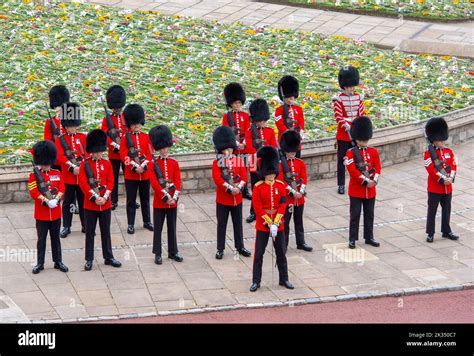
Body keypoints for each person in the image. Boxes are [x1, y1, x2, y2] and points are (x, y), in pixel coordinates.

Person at [250, 146, 293, 292]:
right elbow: (258, 208)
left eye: (273, 172)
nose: (271, 175)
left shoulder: (280, 186)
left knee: (281, 253)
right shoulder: (258, 187)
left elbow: (283, 204)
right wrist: (269, 222)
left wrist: (277, 222)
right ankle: (256, 281)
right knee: (259, 254)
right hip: (263, 225)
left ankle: (284, 278)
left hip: (278, 224)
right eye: (269, 173)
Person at [79, 129, 121, 271]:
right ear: (91, 151)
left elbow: (111, 181)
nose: (98, 154)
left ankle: (108, 257)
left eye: (100, 151)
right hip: (90, 205)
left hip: (105, 203)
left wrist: (105, 196)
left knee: (106, 231)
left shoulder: (107, 163)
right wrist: (95, 197)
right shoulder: (85, 164)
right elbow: (83, 183)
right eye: (96, 151)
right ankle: (89, 259)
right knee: (90, 233)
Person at [212, 125, 252, 260]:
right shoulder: (217, 163)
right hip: (223, 199)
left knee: (238, 224)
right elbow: (217, 179)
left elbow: (244, 177)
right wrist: (230, 189)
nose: (228, 151)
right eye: (225, 149)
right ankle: (220, 248)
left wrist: (239, 188)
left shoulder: (239, 160)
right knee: (222, 225)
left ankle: (240, 246)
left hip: (237, 199)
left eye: (229, 148)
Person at [28, 141, 68, 274]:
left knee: (56, 238)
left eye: (48, 163)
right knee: (41, 239)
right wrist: (46, 201)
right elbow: (34, 192)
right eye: (44, 163)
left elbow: (62, 188)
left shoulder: (57, 173)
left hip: (55, 212)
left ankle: (58, 261)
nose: (46, 166)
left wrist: (56, 199)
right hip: (42, 214)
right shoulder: (33, 176)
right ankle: (40, 263)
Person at [343, 116, 381, 249]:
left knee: (369, 215)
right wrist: (366, 182)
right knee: (355, 215)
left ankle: (369, 237)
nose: (364, 142)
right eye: (361, 139)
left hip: (371, 190)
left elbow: (377, 167)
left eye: (365, 139)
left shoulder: (373, 152)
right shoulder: (350, 153)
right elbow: (352, 170)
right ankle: (352, 239)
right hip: (356, 190)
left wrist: (374, 180)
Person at [149, 125, 183, 264]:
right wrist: (165, 197)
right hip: (160, 201)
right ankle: (157, 253)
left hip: (172, 201)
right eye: (161, 148)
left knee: (172, 227)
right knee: (158, 228)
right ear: (158, 148)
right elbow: (154, 183)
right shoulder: (153, 164)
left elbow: (178, 182)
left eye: (165, 148)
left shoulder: (174, 163)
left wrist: (173, 198)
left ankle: (173, 251)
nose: (164, 150)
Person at [119, 104, 154, 234]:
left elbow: (150, 154)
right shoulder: (125, 138)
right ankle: (130, 223)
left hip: (145, 174)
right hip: (131, 175)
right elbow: (123, 156)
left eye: (138, 123)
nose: (136, 125)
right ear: (129, 124)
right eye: (133, 123)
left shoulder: (146, 137)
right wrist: (134, 166)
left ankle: (147, 221)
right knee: (131, 200)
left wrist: (143, 165)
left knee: (145, 199)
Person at [424, 117, 459, 243]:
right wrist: (443, 179)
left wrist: (451, 178)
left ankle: (446, 230)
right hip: (435, 188)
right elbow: (431, 169)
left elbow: (454, 164)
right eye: (439, 140)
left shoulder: (448, 151)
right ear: (433, 140)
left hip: (447, 186)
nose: (442, 142)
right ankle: (430, 233)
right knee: (432, 211)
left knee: (447, 210)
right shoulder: (428, 154)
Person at [55, 102, 87, 238]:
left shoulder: (83, 137)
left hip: (81, 175)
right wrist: (72, 167)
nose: (71, 128)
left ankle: (85, 225)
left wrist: (80, 166)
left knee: (83, 201)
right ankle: (66, 226)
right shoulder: (61, 139)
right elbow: (60, 156)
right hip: (68, 176)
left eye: (73, 126)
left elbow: (87, 153)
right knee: (68, 202)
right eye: (69, 126)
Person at [277, 130, 312, 252]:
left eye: (294, 151)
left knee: (299, 222)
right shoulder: (281, 164)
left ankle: (300, 242)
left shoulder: (300, 163)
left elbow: (304, 178)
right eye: (290, 151)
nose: (293, 153)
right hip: (288, 199)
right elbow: (281, 181)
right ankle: (283, 245)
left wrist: (300, 191)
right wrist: (293, 192)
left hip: (299, 199)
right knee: (285, 223)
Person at [244, 98, 277, 223]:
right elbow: (248, 147)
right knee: (255, 188)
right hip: (254, 162)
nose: (262, 122)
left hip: (267, 162)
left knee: (267, 188)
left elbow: (273, 145)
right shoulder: (250, 132)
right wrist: (259, 153)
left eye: (264, 120)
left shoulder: (270, 131)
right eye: (260, 120)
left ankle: (267, 210)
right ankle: (253, 212)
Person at [333, 66, 365, 195]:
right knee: (341, 161)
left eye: (353, 86)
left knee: (358, 160)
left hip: (355, 133)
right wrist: (345, 124)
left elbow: (361, 113)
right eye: (349, 86)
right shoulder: (338, 99)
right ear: (344, 85)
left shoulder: (359, 97)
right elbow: (338, 116)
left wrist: (355, 126)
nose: (352, 88)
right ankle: (341, 184)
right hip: (343, 135)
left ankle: (358, 180)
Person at [222, 82, 252, 200]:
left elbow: (248, 130)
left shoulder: (245, 116)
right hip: (233, 149)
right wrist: (236, 144)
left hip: (243, 148)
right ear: (231, 104)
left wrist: (243, 143)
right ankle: (235, 187)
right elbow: (226, 131)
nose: (237, 105)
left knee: (245, 170)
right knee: (235, 170)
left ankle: (245, 190)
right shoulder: (227, 116)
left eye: (239, 102)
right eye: (235, 103)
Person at [100, 85, 128, 211]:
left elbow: (129, 133)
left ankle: (131, 200)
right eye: (116, 107)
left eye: (119, 107)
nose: (118, 109)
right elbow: (105, 135)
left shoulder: (125, 117)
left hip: (127, 154)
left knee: (129, 178)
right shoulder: (107, 119)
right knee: (113, 178)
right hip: (114, 154)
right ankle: (113, 200)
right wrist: (115, 145)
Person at [274, 75, 305, 156]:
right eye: (289, 95)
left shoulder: (299, 109)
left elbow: (301, 123)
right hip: (285, 140)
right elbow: (279, 123)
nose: (291, 97)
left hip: (296, 139)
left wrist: (299, 133)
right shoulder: (279, 110)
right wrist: (288, 133)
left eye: (293, 95)